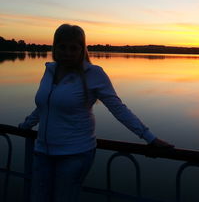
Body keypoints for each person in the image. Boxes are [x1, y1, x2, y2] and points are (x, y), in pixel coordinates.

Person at [19, 24, 173, 202]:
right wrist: (26, 125)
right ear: (55, 47)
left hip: (74, 154)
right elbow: (45, 106)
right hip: (42, 152)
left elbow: (118, 109)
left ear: (82, 49)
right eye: (62, 47)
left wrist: (149, 137)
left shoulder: (93, 74)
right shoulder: (50, 70)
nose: (67, 52)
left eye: (73, 48)